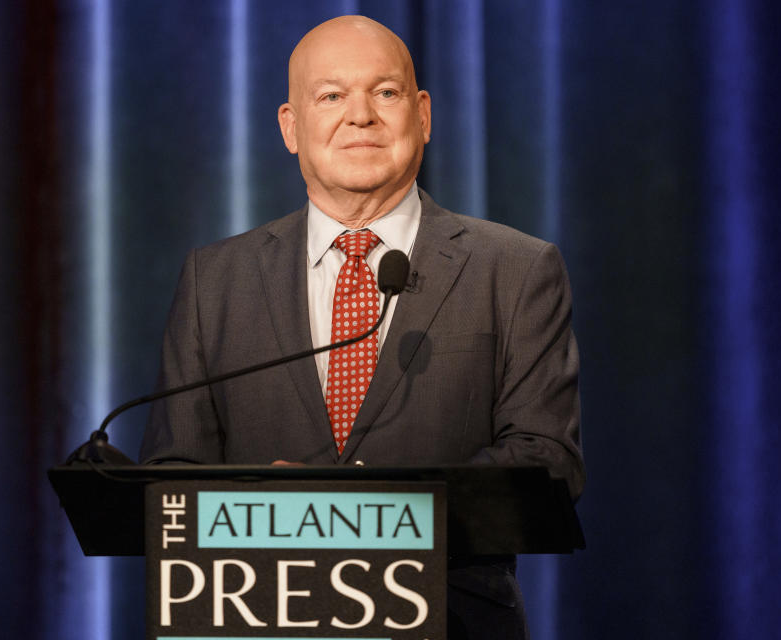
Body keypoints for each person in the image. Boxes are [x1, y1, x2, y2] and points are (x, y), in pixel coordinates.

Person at [140, 15, 584, 639]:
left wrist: (359, 508)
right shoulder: (213, 280)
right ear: (291, 128)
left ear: (422, 114)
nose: (361, 116)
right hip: (262, 620)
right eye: (330, 96)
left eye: (386, 92)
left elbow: (548, 464)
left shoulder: (514, 269)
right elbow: (172, 482)